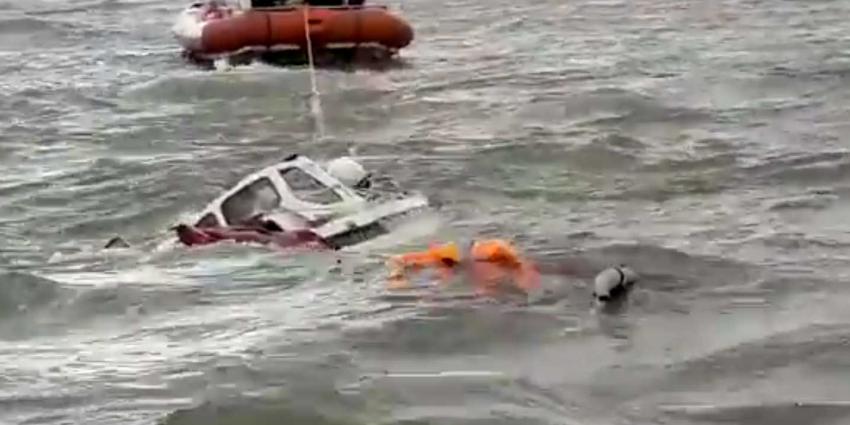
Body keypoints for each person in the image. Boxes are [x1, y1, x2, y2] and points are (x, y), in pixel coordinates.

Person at [385, 239, 541, 296]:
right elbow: (397, 260)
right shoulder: (452, 257)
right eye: (491, 265)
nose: (494, 271)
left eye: (501, 265)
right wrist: (397, 277)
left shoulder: (521, 272)